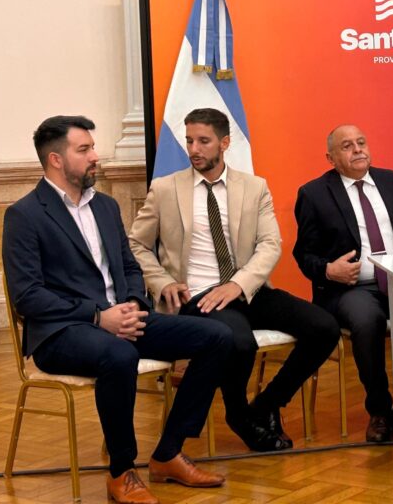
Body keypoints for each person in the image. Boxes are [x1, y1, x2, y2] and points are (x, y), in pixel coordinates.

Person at [2, 116, 231, 504]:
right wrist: (98, 316)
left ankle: (168, 453)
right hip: (63, 332)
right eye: (84, 149)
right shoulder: (25, 215)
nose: (96, 156)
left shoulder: (106, 206)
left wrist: (133, 306)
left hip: (121, 320)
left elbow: (129, 267)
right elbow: (28, 296)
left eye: (93, 147)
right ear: (56, 160)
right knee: (120, 355)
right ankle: (121, 471)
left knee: (217, 337)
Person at [129, 108, 339, 453]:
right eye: (189, 141)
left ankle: (267, 404)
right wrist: (162, 281)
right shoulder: (165, 189)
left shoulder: (254, 187)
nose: (194, 149)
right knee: (238, 341)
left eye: (203, 141)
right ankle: (239, 416)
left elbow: (270, 244)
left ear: (225, 143)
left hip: (246, 289)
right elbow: (136, 243)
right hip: (198, 296)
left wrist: (239, 284)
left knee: (324, 328)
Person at [292, 124, 393, 443]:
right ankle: (380, 411)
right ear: (331, 158)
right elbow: (303, 254)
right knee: (367, 320)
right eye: (347, 146)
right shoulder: (313, 194)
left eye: (361, 142)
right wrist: (328, 270)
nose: (358, 149)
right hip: (351, 288)